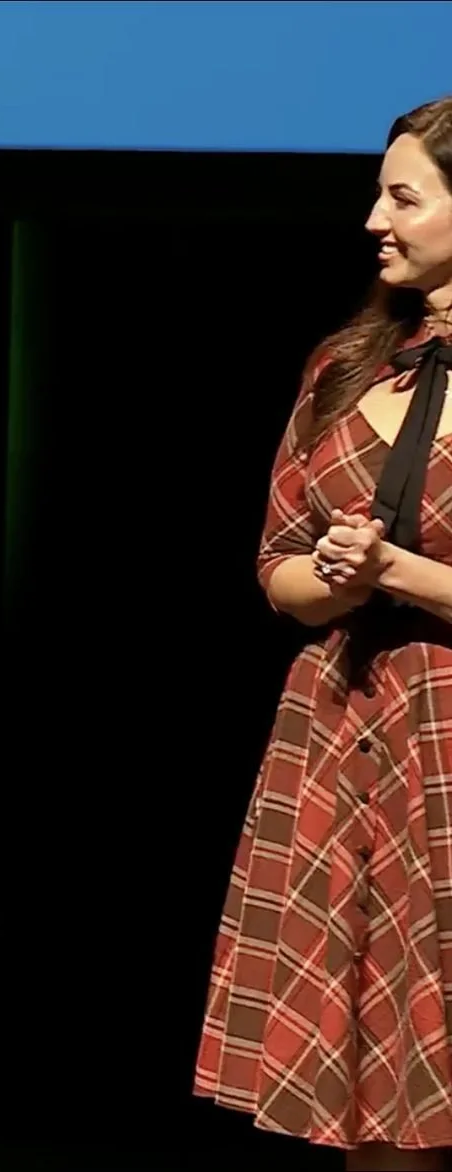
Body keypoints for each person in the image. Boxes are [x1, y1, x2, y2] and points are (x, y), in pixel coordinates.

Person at [197, 95, 452, 1172]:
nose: (370, 219)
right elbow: (276, 568)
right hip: (341, 741)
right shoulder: (344, 364)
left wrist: (398, 569)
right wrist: (336, 576)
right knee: (369, 1082)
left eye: (401, 195)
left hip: (444, 737)